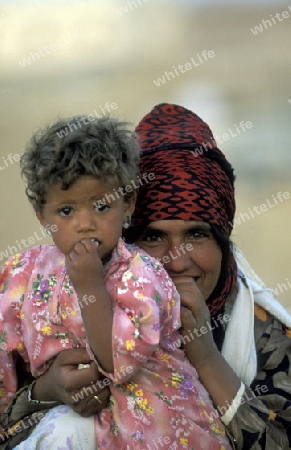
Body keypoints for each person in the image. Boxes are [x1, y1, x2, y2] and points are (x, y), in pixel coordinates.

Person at [1, 102, 291, 450]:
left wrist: (206, 356)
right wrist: (44, 391)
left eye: (198, 235)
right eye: (152, 237)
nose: (176, 262)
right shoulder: (46, 297)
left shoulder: (264, 335)